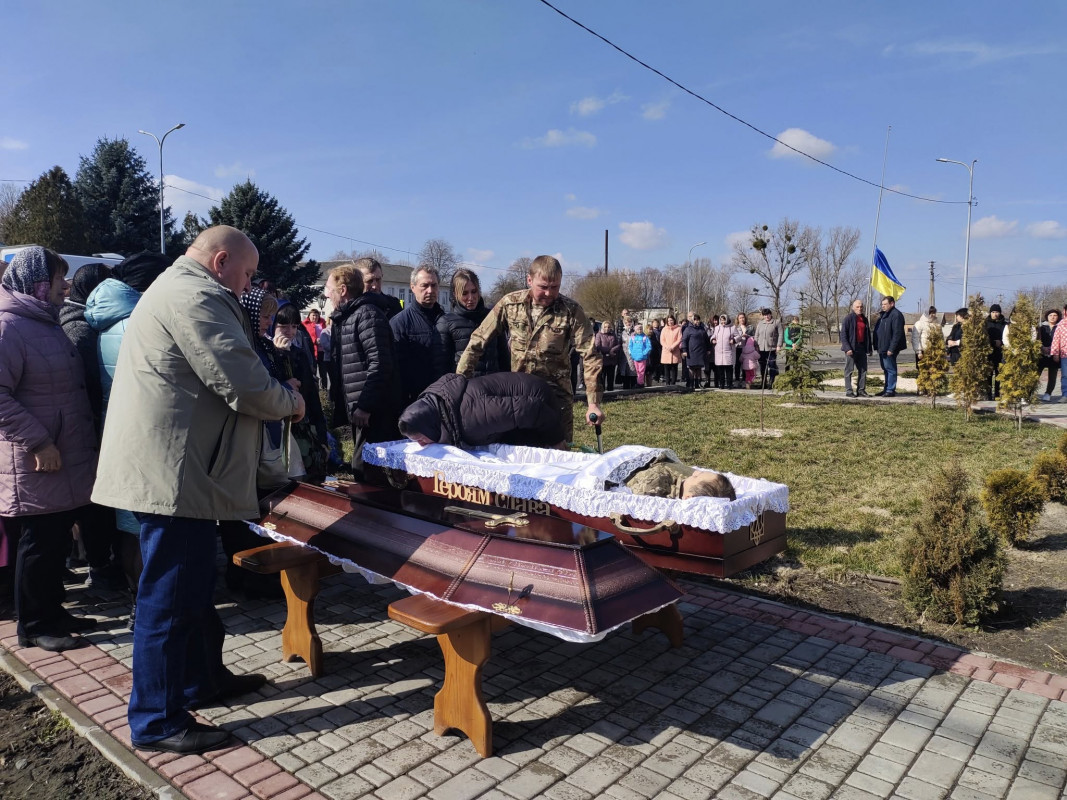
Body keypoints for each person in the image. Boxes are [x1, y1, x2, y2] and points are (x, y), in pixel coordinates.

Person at [92, 226, 305, 754]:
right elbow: (242, 382)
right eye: (248, 274)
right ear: (221, 261)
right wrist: (291, 401)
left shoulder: (184, 289)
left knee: (190, 590)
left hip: (182, 470)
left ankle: (200, 682)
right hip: (174, 474)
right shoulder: (195, 295)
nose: (249, 285)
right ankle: (158, 720)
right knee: (168, 599)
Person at [1, 247, 99, 652]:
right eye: (59, 277)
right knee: (39, 544)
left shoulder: (44, 321)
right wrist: (38, 441)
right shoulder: (9, 327)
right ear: (37, 282)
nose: (66, 285)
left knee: (55, 541)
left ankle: (54, 612)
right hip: (37, 460)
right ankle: (35, 625)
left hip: (63, 455)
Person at [84, 251, 172, 618]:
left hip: (115, 429)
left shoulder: (104, 319)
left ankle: (139, 599)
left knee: (129, 524)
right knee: (149, 526)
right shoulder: (142, 320)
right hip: (146, 433)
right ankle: (150, 607)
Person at [456, 255, 603, 443]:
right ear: (529, 280)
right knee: (521, 456)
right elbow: (478, 341)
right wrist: (460, 382)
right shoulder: (510, 304)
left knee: (558, 457)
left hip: (555, 399)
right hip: (519, 398)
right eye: (543, 287)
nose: (549, 293)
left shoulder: (571, 311)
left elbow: (590, 355)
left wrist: (593, 403)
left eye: (555, 287)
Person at [327, 263, 403, 476]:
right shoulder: (347, 317)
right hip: (361, 411)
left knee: (369, 471)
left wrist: (365, 405)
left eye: (330, 290)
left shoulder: (367, 315)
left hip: (373, 412)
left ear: (342, 291)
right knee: (364, 469)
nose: (328, 295)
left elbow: (380, 364)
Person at [399, 372, 566, 449]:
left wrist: (556, 440)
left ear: (430, 426)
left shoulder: (471, 418)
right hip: (516, 409)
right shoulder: (441, 408)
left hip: (538, 400)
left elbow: (530, 409)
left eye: (420, 438)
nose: (420, 444)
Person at [274, 303, 330, 480]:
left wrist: (321, 436)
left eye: (294, 326)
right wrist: (280, 356)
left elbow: (312, 396)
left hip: (302, 426)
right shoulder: (266, 355)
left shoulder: (299, 354)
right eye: (283, 326)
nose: (290, 331)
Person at [391, 266, 448, 405]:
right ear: (413, 287)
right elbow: (395, 371)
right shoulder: (400, 323)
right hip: (415, 401)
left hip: (445, 398)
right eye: (425, 285)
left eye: (434, 285)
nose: (430, 290)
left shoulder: (447, 321)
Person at [437, 268, 507, 376]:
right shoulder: (446, 323)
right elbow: (442, 366)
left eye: (474, 291)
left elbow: (504, 357)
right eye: (464, 293)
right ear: (456, 294)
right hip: (465, 389)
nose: (471, 298)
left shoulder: (493, 317)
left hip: (494, 386)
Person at [622, 455, 736, 500]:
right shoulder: (686, 484)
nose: (695, 473)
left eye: (697, 476)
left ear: (688, 498)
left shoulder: (657, 481)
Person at [873, 296, 905, 397]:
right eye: (882, 305)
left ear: (892, 304)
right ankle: (886, 388)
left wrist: (892, 348)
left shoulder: (896, 315)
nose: (883, 306)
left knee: (890, 368)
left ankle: (890, 390)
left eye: (885, 304)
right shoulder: (884, 316)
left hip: (889, 348)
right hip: (882, 347)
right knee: (885, 368)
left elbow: (897, 333)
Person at [840, 299, 872, 398]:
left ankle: (861, 390)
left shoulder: (864, 319)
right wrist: (847, 348)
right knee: (849, 370)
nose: (860, 308)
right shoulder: (848, 318)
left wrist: (869, 349)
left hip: (861, 347)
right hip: (851, 348)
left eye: (861, 307)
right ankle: (849, 391)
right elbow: (843, 335)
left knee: (863, 370)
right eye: (857, 307)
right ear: (853, 308)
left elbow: (867, 335)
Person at [754, 308, 781, 389]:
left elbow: (781, 334)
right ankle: (763, 382)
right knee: (763, 366)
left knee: (772, 365)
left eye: (768, 314)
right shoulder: (760, 323)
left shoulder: (776, 322)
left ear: (770, 314)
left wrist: (778, 345)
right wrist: (756, 345)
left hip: (771, 349)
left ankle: (771, 382)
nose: (766, 316)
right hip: (761, 349)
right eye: (764, 315)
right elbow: (756, 335)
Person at [985, 304, 1007, 399]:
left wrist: (1001, 342)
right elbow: (984, 337)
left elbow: (1007, 336)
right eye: (993, 312)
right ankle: (989, 394)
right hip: (989, 351)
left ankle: (998, 394)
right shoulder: (986, 323)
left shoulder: (1005, 324)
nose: (995, 314)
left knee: (999, 374)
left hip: (1000, 352)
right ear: (990, 313)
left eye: (997, 312)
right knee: (989, 374)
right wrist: (993, 342)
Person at [681, 314, 709, 389]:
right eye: (696, 319)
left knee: (699, 368)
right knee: (691, 368)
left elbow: (706, 339)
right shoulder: (688, 329)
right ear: (693, 320)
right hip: (691, 352)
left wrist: (708, 349)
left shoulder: (702, 329)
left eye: (698, 319)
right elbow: (684, 340)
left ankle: (698, 383)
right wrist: (684, 350)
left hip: (700, 351)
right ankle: (691, 383)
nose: (697, 321)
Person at [1038, 309, 1060, 402]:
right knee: (1036, 374)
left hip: (1054, 354)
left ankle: (1048, 393)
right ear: (1047, 316)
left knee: (1052, 375)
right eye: (1050, 315)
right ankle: (1030, 392)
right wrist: (1042, 347)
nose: (1052, 317)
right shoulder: (1041, 328)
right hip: (1041, 354)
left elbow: (1062, 341)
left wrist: (1054, 351)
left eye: (1055, 315)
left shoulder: (1060, 327)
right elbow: (1037, 339)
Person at [594, 321, 621, 392]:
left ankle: (610, 390)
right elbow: (597, 346)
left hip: (612, 359)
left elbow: (618, 345)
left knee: (611, 376)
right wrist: (609, 350)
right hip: (603, 358)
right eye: (605, 327)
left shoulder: (613, 334)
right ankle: (602, 392)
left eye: (608, 327)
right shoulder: (599, 335)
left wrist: (612, 350)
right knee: (602, 376)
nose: (607, 328)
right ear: (602, 327)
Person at [302, 308, 326, 387]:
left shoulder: (323, 323)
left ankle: (324, 390)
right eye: (313, 315)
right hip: (312, 351)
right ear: (309, 316)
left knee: (323, 372)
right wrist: (314, 340)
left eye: (316, 315)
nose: (315, 317)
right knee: (313, 371)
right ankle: (314, 390)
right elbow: (304, 336)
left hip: (322, 351)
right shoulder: (305, 324)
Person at [711, 314, 735, 389]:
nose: (723, 322)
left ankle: (729, 384)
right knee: (720, 369)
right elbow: (713, 336)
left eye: (724, 320)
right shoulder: (717, 328)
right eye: (721, 320)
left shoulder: (732, 328)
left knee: (728, 369)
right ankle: (721, 384)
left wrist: (733, 340)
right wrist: (713, 340)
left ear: (727, 320)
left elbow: (738, 336)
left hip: (728, 351)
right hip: (719, 352)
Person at [659, 315, 682, 386]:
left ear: (674, 320)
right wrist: (667, 347)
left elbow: (679, 339)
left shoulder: (678, 328)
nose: (670, 322)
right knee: (666, 368)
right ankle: (667, 383)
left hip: (675, 351)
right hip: (666, 351)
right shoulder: (664, 329)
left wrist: (673, 347)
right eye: (668, 321)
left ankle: (673, 383)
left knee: (674, 368)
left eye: (671, 320)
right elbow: (662, 340)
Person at [733, 312, 754, 386]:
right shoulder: (735, 327)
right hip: (738, 347)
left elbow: (753, 337)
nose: (742, 319)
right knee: (737, 365)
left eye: (743, 317)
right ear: (738, 319)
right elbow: (733, 338)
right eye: (740, 318)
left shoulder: (750, 327)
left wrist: (748, 336)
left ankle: (745, 380)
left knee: (746, 365)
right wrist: (741, 336)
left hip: (747, 349)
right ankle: (737, 379)